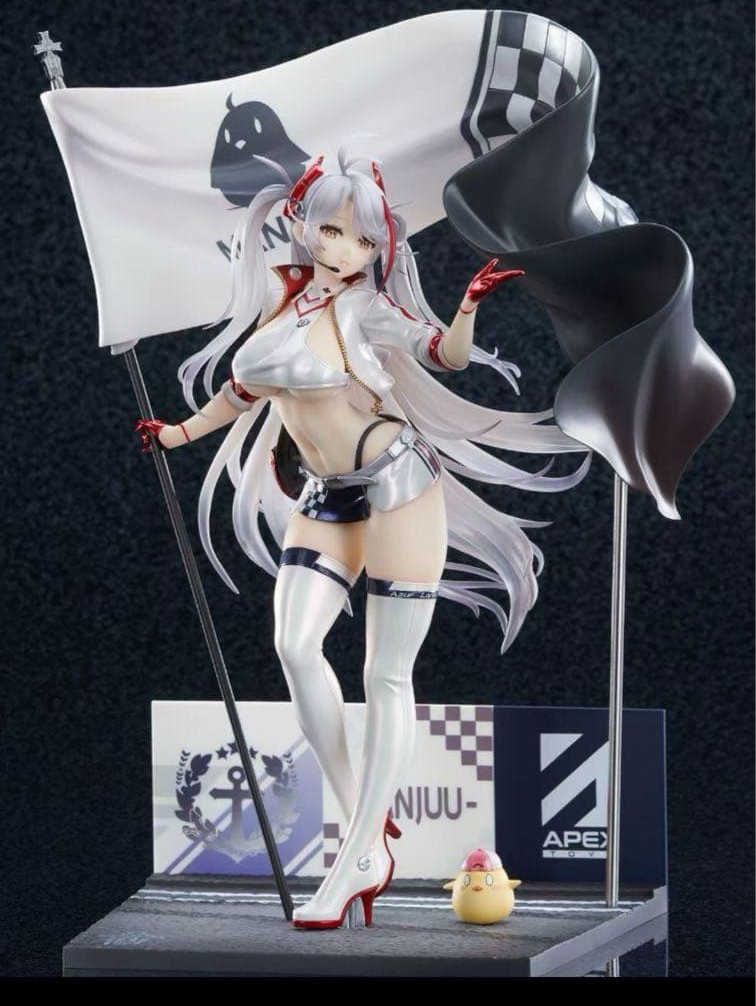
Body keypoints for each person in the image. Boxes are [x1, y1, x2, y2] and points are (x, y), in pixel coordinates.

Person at [135, 142, 591, 929]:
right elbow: (239, 394)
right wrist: (176, 434)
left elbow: (443, 356)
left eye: (363, 238)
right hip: (326, 496)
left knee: (385, 673)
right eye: (332, 230)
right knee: (294, 645)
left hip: (399, 485)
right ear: (301, 224)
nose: (346, 248)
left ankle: (353, 859)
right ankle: (365, 824)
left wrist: (468, 306)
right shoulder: (278, 306)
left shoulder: (367, 309)